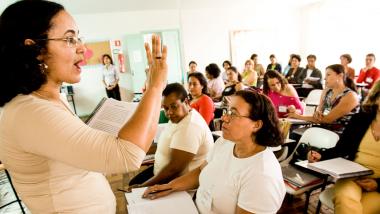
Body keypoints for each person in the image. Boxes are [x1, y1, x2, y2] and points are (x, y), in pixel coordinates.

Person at [0, 1, 168, 213]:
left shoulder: (48, 100)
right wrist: (155, 86)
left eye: (79, 38)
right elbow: (127, 155)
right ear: (36, 50)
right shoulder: (30, 112)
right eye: (70, 39)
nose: (83, 49)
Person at [142, 91, 286, 213]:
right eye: (226, 111)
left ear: (257, 125)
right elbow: (201, 170)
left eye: (233, 114)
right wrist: (170, 186)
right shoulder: (225, 142)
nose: (224, 118)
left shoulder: (262, 175)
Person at [307, 80, 380, 214]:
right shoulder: (360, 119)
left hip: (378, 185)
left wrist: (378, 184)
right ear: (376, 97)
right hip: (352, 176)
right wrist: (321, 155)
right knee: (345, 199)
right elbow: (341, 149)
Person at [129, 83, 214, 187]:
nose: (169, 112)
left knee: (134, 188)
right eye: (165, 108)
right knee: (132, 184)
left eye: (174, 107)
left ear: (186, 102)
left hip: (176, 182)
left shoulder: (190, 127)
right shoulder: (179, 117)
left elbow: (174, 169)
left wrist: (142, 187)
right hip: (163, 172)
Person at [288, 64, 359, 133]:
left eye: (328, 75)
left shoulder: (350, 96)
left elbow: (328, 119)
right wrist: (317, 113)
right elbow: (319, 114)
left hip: (340, 134)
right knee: (294, 132)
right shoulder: (327, 91)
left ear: (340, 76)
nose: (325, 78)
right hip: (323, 129)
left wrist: (298, 116)